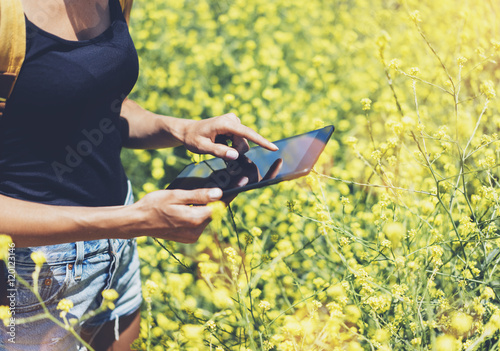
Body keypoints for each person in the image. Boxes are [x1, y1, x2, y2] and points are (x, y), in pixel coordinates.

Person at [0, 0, 277, 350]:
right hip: (32, 271)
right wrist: (133, 220)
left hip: (118, 245)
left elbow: (100, 102)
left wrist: (179, 129)